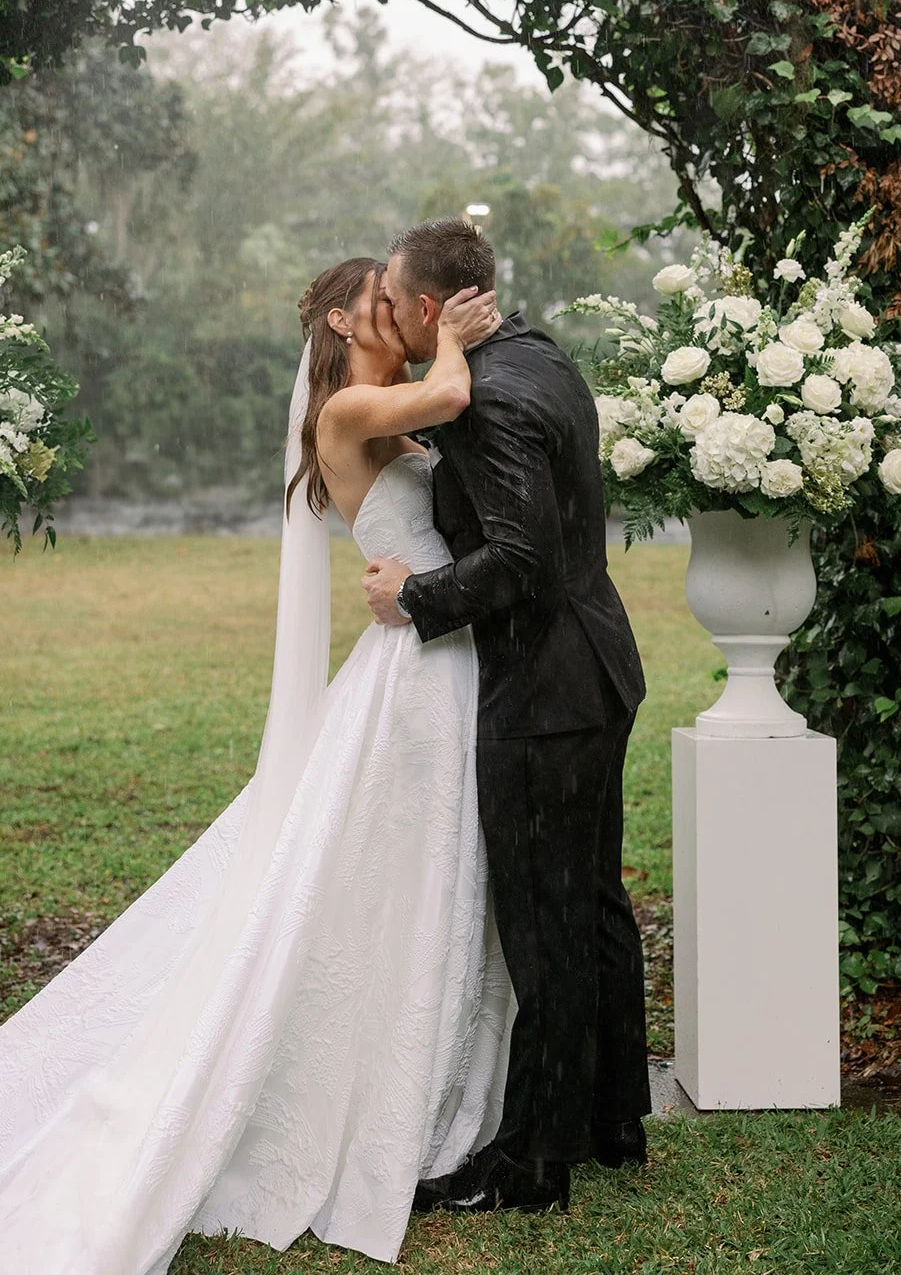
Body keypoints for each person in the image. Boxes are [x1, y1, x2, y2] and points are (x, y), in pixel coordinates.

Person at [0, 257, 513, 1272]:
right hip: (411, 664)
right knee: (396, 858)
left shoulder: (390, 408)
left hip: (439, 638)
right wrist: (457, 336)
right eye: (384, 298)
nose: (400, 310)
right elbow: (449, 395)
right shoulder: (347, 411)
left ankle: (437, 1070)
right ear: (347, 319)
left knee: (421, 864)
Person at [364, 218, 652, 1215]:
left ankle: (531, 1159)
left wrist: (415, 596)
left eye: (391, 298)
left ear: (429, 307)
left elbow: (521, 558)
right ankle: (612, 1118)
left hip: (545, 691)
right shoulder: (541, 354)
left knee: (545, 922)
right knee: (595, 903)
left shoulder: (486, 399)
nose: (384, 310)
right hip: (598, 666)